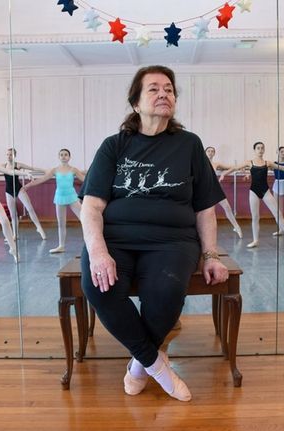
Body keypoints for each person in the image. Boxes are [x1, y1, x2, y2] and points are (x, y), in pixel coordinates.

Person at [79, 65, 228, 402]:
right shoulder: (113, 146)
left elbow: (205, 208)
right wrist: (99, 252)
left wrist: (211, 254)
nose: (164, 94)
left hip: (172, 240)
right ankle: (157, 367)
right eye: (154, 88)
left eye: (170, 89)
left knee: (167, 292)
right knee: (99, 286)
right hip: (116, 237)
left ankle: (137, 366)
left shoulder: (189, 144)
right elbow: (91, 207)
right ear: (135, 103)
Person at [219, 142, 284, 249]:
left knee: (277, 213)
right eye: (258, 148)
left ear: (264, 150)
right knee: (255, 217)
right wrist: (224, 174)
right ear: (255, 150)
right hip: (254, 191)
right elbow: (235, 168)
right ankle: (255, 240)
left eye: (262, 148)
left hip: (265, 191)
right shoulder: (249, 162)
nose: (260, 150)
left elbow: (282, 168)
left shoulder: (267, 163)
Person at [24, 148, 86, 253]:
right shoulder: (55, 170)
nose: (63, 156)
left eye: (66, 154)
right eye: (61, 154)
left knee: (84, 219)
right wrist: (29, 185)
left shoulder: (73, 170)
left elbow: (85, 179)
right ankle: (61, 246)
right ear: (59, 157)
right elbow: (42, 179)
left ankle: (89, 243)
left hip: (72, 196)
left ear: (69, 157)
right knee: (61, 223)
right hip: (60, 197)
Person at [3, 148, 46, 240]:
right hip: (8, 191)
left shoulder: (18, 165)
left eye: (11, 154)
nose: (9, 156)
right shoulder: (3, 166)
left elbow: (32, 168)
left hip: (19, 189)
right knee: (13, 214)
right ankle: (15, 234)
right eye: (7, 154)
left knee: (30, 208)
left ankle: (40, 228)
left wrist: (45, 170)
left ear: (15, 156)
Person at [204, 146, 243, 239]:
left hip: (216, 188)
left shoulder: (216, 164)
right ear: (205, 152)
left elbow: (232, 167)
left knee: (227, 207)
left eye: (212, 151)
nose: (210, 152)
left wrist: (226, 172)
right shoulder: (201, 163)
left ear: (214, 153)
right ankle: (207, 233)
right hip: (205, 190)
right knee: (209, 212)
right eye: (208, 151)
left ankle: (237, 227)